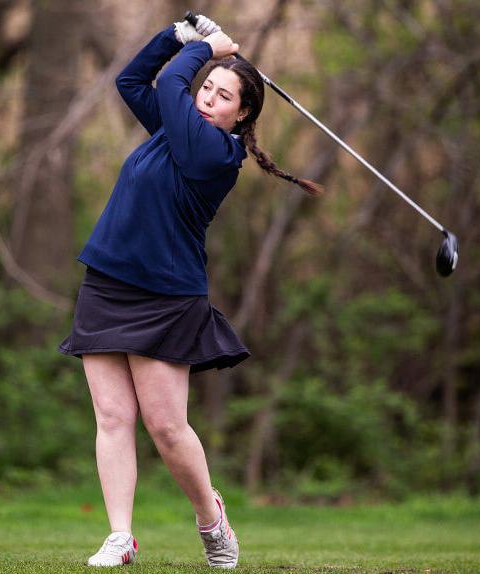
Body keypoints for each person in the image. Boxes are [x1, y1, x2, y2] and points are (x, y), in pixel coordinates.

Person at [58, 14, 321, 569]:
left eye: (223, 95)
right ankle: (120, 536)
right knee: (110, 417)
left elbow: (172, 85)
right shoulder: (170, 129)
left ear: (241, 113)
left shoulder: (217, 156)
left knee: (167, 427)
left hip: (166, 297)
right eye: (207, 88)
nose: (208, 98)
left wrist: (204, 49)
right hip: (107, 281)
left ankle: (211, 517)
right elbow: (132, 82)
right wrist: (177, 37)